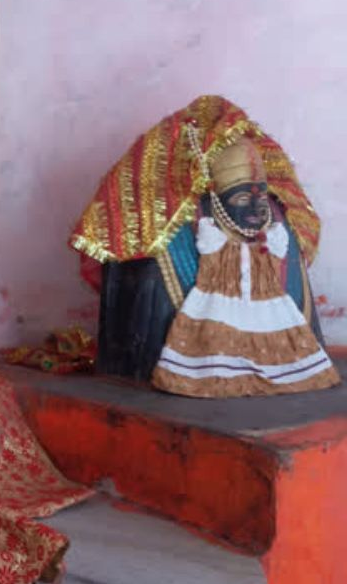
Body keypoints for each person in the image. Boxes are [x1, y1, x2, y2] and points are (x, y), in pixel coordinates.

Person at [69, 96, 337, 396]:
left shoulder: (277, 231)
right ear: (215, 201)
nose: (256, 209)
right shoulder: (187, 233)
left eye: (261, 197)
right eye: (240, 199)